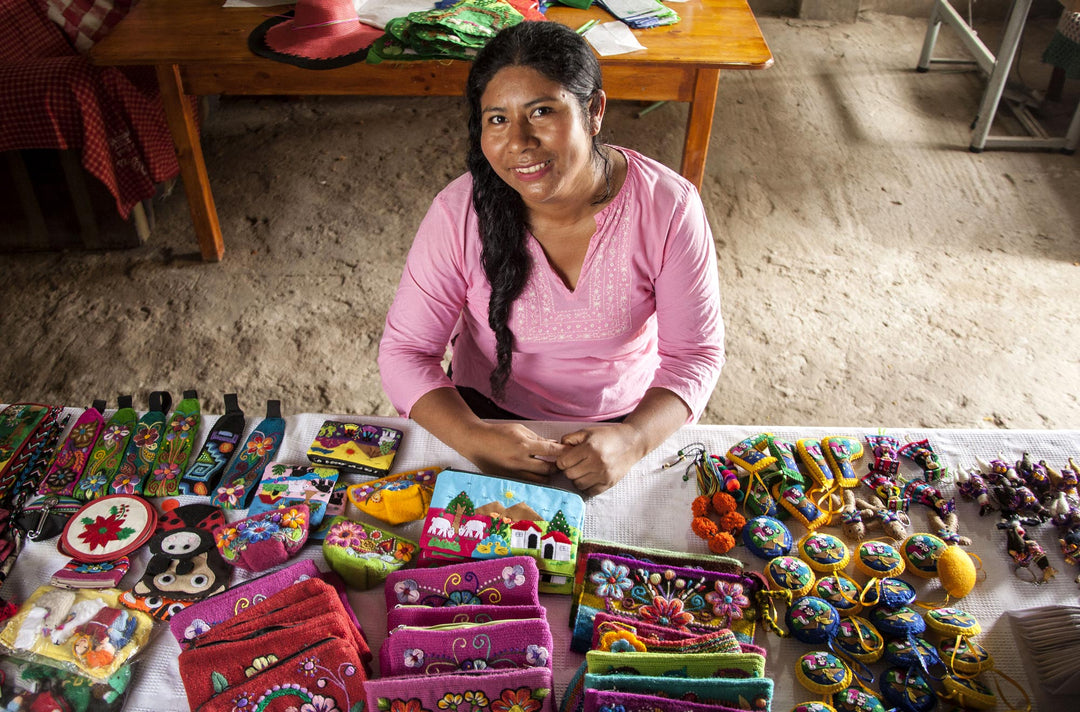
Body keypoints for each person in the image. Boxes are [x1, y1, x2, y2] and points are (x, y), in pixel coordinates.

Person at [378, 21, 724, 495]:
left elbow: (694, 355)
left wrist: (635, 438)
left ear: (594, 111)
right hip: (486, 415)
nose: (518, 142)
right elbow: (406, 352)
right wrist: (474, 437)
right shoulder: (458, 213)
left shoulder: (668, 206)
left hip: (626, 413)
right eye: (497, 119)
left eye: (542, 111)